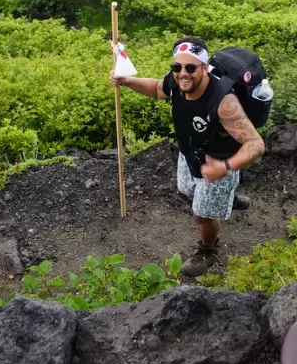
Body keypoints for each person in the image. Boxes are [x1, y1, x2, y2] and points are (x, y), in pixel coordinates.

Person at [109, 37, 266, 277]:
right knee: (186, 189)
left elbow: (255, 144)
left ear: (204, 68)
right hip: (189, 153)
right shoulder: (176, 82)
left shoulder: (224, 103)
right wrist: (127, 81)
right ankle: (227, 200)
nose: (183, 74)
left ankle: (208, 250)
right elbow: (157, 89)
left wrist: (225, 167)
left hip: (217, 163)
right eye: (177, 67)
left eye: (191, 68)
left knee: (201, 215)